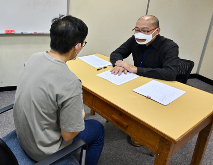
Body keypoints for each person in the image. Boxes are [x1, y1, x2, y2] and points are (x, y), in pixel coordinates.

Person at [13, 15, 105, 165]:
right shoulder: (70, 82)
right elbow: (68, 136)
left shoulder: (34, 58)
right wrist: (80, 115)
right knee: (97, 128)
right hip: (43, 152)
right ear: (77, 46)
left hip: (23, 136)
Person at [110, 15, 179, 146]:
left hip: (158, 86)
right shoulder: (134, 40)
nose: (139, 34)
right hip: (138, 81)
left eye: (145, 31)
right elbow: (116, 53)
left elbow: (170, 73)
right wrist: (118, 63)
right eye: (137, 29)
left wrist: (135, 69)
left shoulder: (170, 46)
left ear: (156, 31)